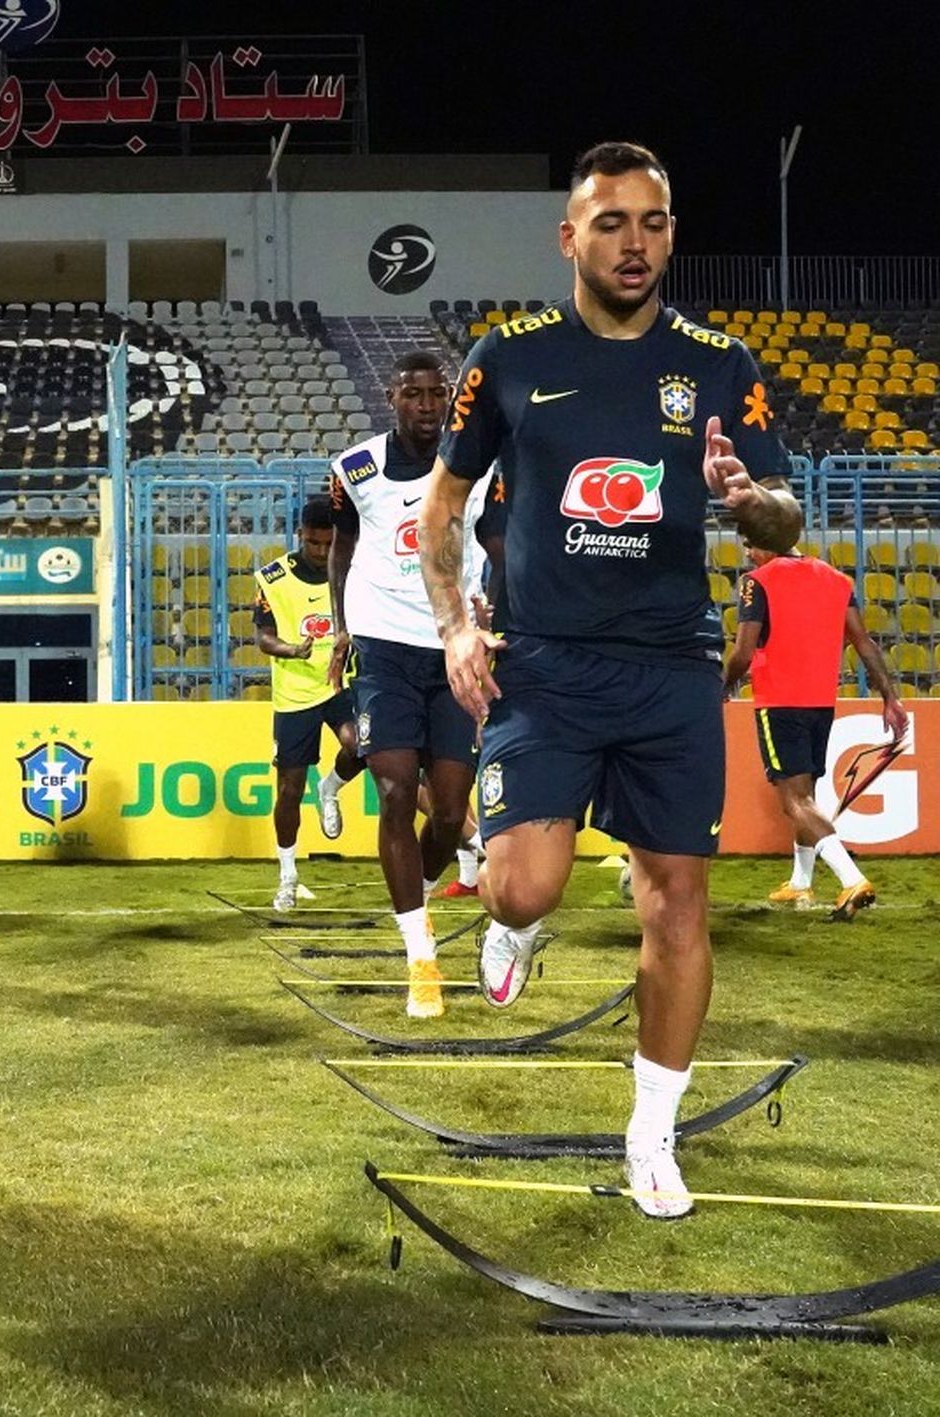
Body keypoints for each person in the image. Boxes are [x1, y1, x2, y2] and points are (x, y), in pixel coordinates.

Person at [420, 141, 802, 1218]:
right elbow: (444, 507)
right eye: (609, 223)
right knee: (523, 881)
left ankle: (651, 1135)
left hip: (672, 667)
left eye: (651, 222)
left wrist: (744, 500)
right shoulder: (508, 354)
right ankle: (510, 927)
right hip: (541, 664)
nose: (632, 243)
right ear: (568, 238)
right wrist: (455, 626)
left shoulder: (721, 364)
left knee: (677, 899)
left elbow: (784, 523)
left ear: (671, 232)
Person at [328, 351, 503, 1019]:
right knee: (398, 790)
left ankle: (418, 893)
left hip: (453, 647)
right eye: (413, 394)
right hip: (384, 648)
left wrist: (498, 606)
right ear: (390, 396)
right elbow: (342, 548)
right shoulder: (356, 469)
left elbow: (498, 540)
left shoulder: (479, 465)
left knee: (451, 812)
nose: (427, 405)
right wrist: (344, 627)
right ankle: (419, 955)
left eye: (437, 393)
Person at [723, 539, 907, 918]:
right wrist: (890, 696)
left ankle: (852, 879)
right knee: (807, 794)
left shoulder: (757, 581)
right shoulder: (837, 579)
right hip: (821, 703)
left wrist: (721, 685)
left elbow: (743, 651)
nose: (746, 554)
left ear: (765, 541)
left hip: (779, 701)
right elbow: (864, 642)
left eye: (749, 545)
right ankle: (800, 882)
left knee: (794, 801)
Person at [252, 496, 362, 910]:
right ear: (301, 536)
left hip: (340, 685)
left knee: (359, 747)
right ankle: (288, 875)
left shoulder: (352, 571)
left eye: (328, 544)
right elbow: (261, 636)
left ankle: (330, 788)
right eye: (314, 544)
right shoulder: (272, 577)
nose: (321, 552)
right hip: (295, 694)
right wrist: (290, 649)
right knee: (289, 791)